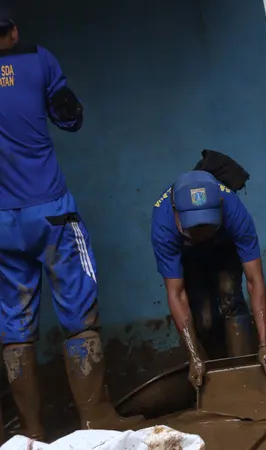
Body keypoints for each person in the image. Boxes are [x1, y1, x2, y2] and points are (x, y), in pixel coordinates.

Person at [0, 7, 141, 438]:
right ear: (14, 30)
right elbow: (70, 118)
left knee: (14, 327)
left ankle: (30, 431)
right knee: (79, 314)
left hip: (2, 223)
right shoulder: (38, 59)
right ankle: (96, 419)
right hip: (52, 213)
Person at [150, 170, 266, 389]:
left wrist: (265, 344)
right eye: (196, 227)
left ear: (219, 205)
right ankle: (211, 380)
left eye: (207, 226)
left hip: (224, 248)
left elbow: (254, 279)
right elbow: (176, 293)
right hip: (188, 255)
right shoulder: (163, 223)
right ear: (176, 213)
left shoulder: (234, 210)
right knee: (204, 317)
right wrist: (193, 357)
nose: (203, 235)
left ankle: (247, 380)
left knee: (231, 298)